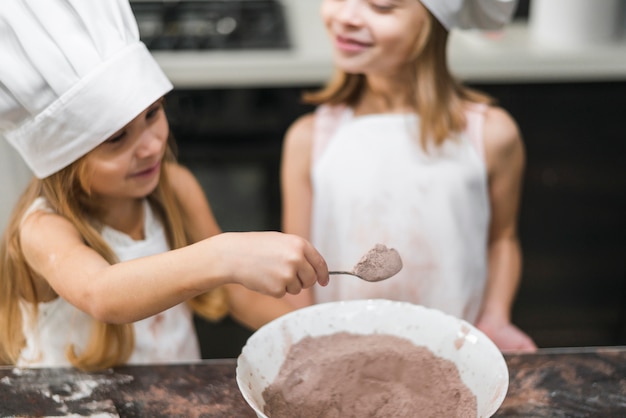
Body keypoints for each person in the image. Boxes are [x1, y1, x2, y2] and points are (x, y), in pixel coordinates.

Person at [0, 0, 328, 371]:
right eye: (118, 138)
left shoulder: (175, 188)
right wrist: (227, 254)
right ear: (64, 162)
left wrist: (317, 339)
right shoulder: (44, 228)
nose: (153, 145)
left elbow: (238, 296)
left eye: (153, 114)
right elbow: (101, 293)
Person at [281, 0, 536, 352]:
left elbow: (502, 240)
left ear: (433, 24)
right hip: (344, 356)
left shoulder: (490, 135)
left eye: (381, 6)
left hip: (452, 352)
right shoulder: (309, 139)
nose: (345, 16)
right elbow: (299, 266)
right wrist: (301, 336)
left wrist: (495, 317)